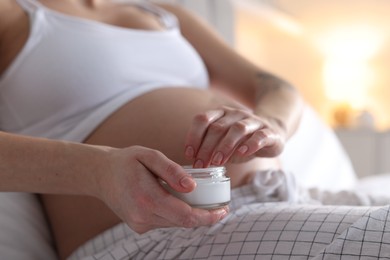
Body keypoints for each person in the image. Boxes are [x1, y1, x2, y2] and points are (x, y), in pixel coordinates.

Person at [0, 0, 303, 259]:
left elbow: (274, 86)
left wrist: (272, 124)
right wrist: (98, 170)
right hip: (147, 241)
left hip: (273, 201)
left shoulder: (163, 13)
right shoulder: (13, 15)